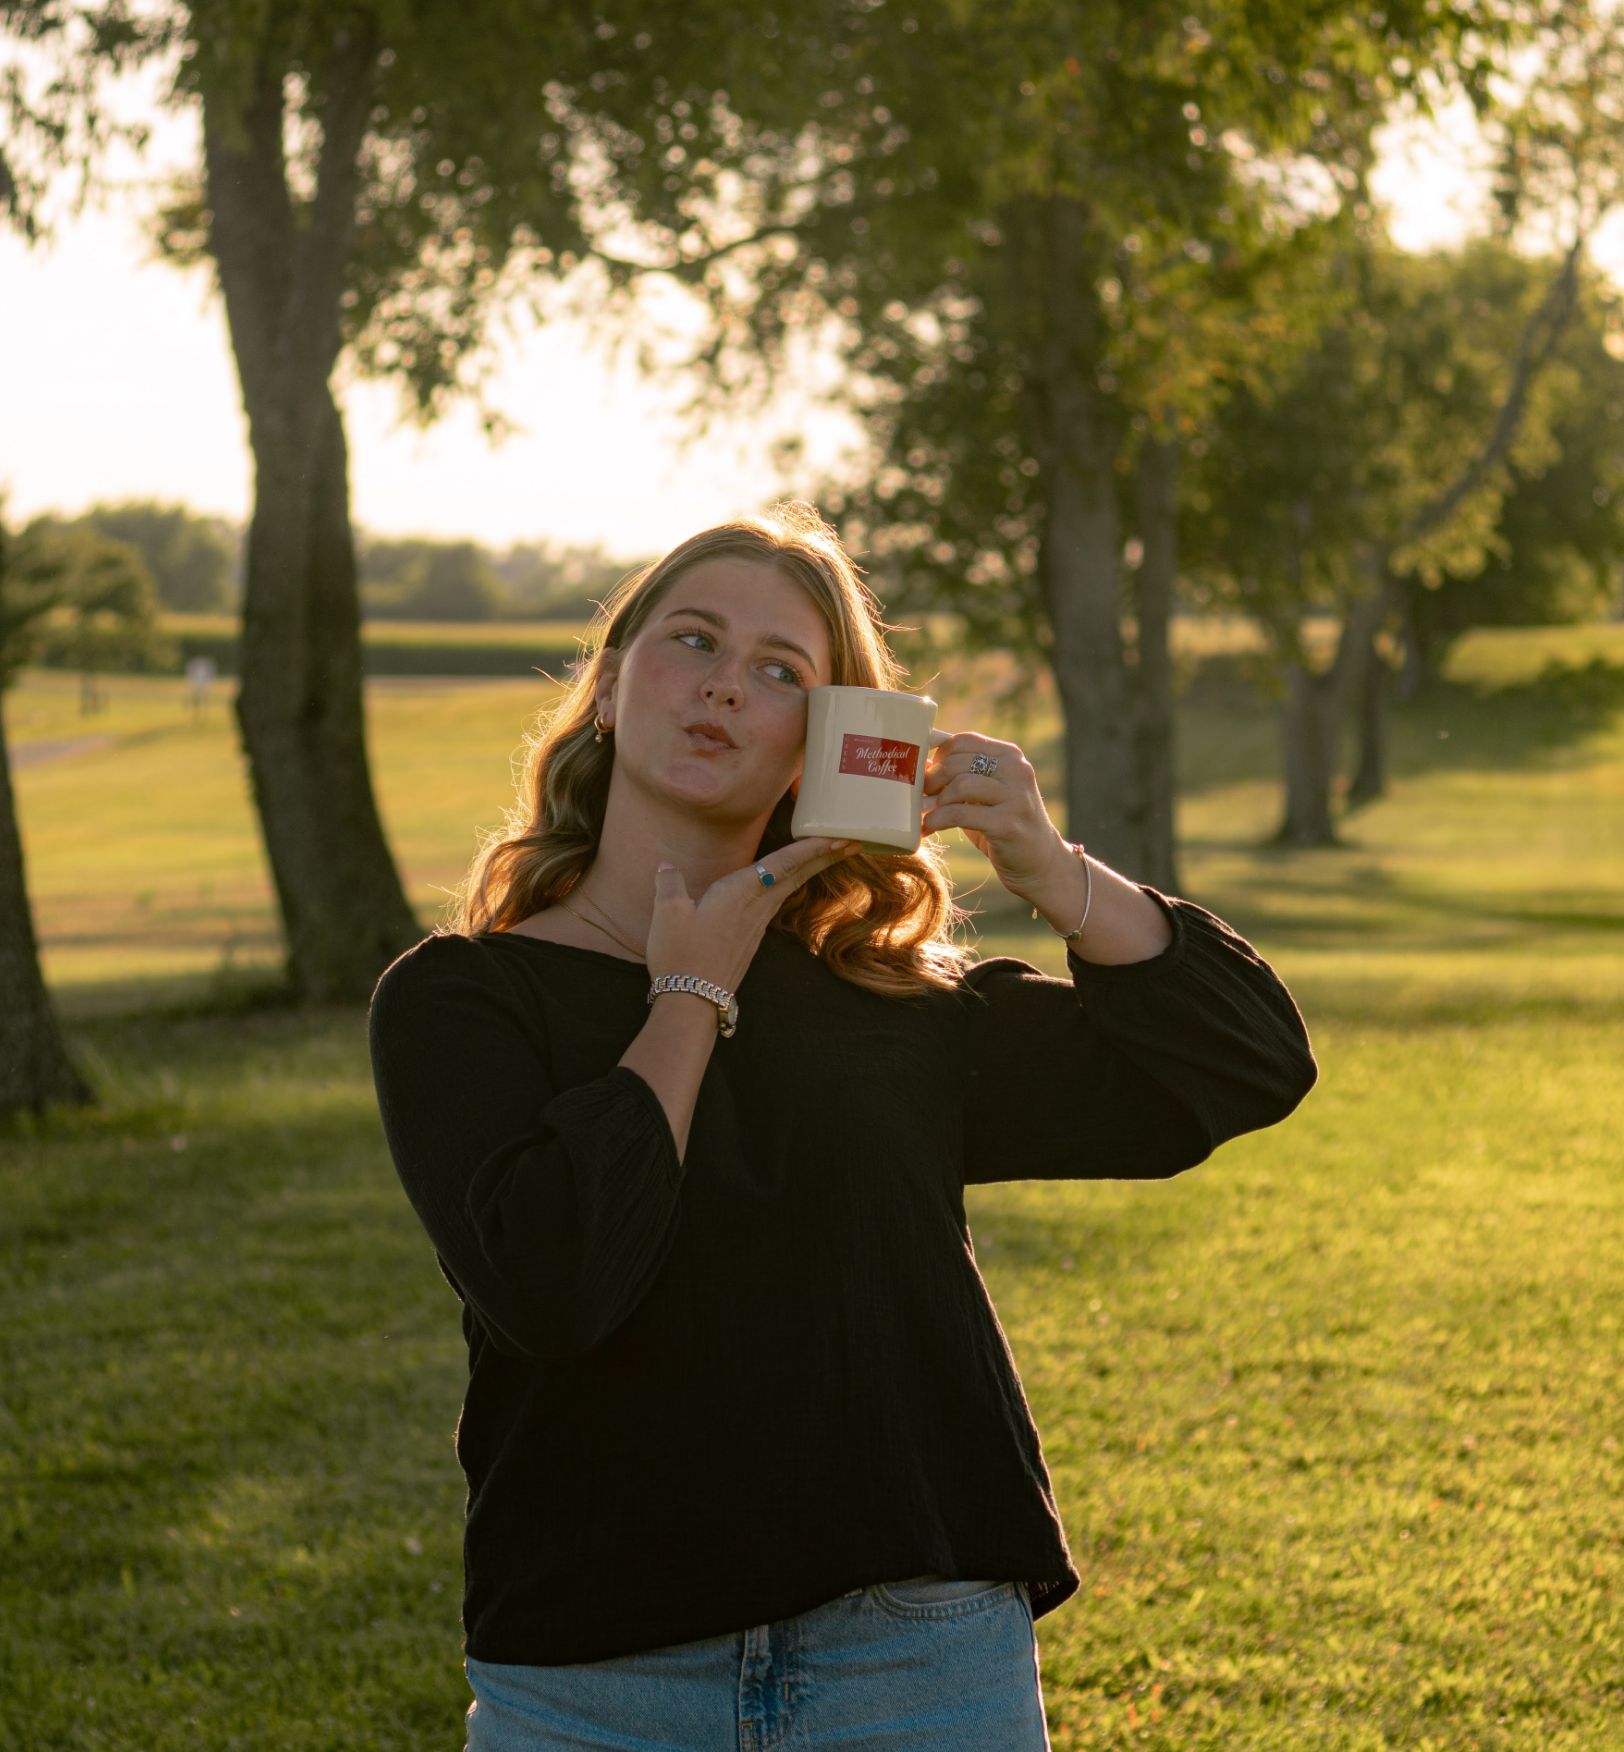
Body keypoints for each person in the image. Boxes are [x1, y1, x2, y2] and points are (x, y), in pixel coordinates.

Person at [367, 502, 1317, 1751]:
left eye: (780, 672)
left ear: (824, 745)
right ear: (608, 687)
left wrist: (1050, 867)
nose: (724, 685)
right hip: (600, 1683)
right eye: (693, 641)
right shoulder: (460, 999)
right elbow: (556, 1282)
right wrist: (689, 992)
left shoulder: (896, 1003)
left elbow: (1245, 1062)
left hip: (917, 1661)